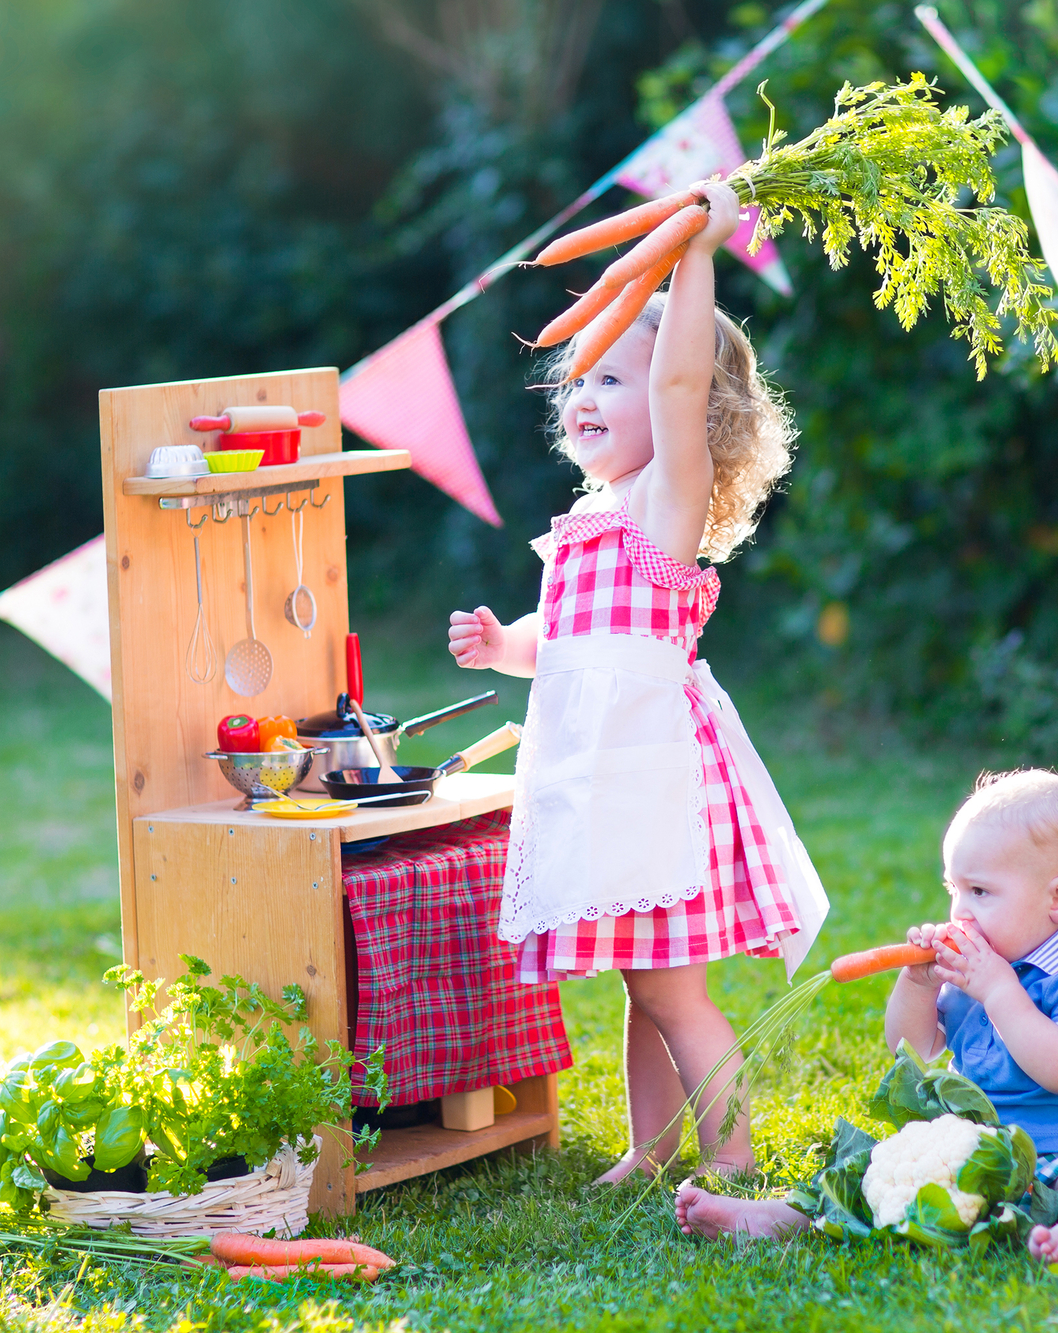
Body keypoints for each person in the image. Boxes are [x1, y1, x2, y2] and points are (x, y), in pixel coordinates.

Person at [447, 179, 829, 1185]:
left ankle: (734, 1163)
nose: (585, 397)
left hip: (647, 791)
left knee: (677, 994)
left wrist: (692, 255)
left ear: (689, 409)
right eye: (579, 380)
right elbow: (569, 643)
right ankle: (647, 1148)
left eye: (615, 380)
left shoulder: (665, 501)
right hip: (599, 783)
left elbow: (676, 386)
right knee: (642, 985)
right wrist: (504, 644)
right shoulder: (588, 520)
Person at [674, 769, 1058, 1265]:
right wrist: (918, 985)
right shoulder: (980, 966)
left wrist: (1000, 990)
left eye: (980, 892)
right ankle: (782, 1217)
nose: (960, 911)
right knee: (874, 1167)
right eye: (954, 889)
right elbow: (912, 1048)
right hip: (979, 1144)